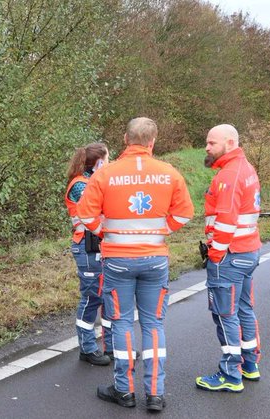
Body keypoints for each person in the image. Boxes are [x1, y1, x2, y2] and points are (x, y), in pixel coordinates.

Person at [77, 117, 194, 412]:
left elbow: (85, 214)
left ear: (126, 139)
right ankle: (155, 393)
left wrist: (107, 232)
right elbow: (185, 214)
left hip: (118, 260)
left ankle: (124, 390)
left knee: (122, 323)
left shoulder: (107, 175)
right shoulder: (169, 173)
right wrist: (161, 230)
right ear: (153, 142)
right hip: (155, 259)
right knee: (154, 324)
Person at [195, 124, 262, 393]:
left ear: (230, 142)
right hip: (248, 251)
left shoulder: (229, 175)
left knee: (224, 314)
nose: (207, 147)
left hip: (229, 255)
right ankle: (250, 364)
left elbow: (225, 221)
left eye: (212, 143)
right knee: (244, 309)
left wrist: (215, 255)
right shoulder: (244, 168)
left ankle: (230, 374)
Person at [64, 142, 113, 366]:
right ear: (99, 162)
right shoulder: (80, 185)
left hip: (102, 246)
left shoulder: (95, 182)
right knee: (92, 297)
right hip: (87, 246)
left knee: (108, 297)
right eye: (107, 159)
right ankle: (87, 347)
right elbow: (100, 208)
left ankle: (111, 346)